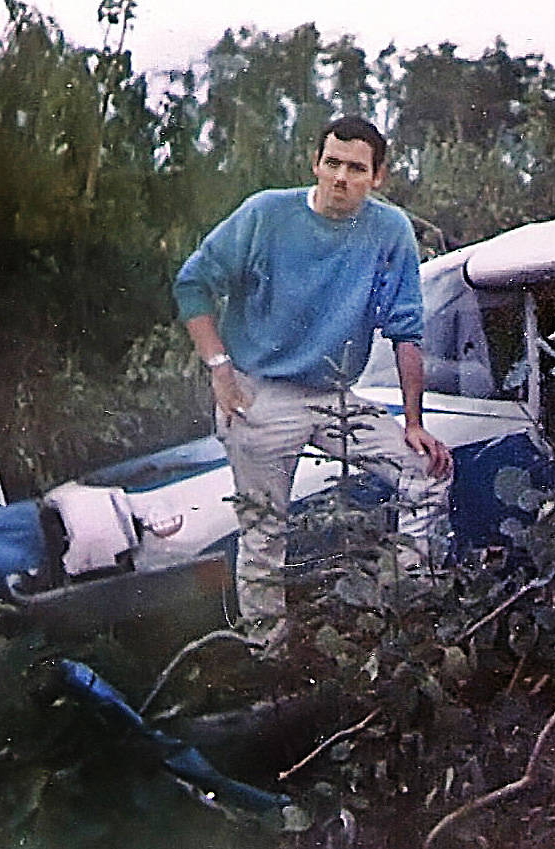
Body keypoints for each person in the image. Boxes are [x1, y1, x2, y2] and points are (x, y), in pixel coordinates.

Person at [173, 115, 453, 641]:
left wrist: (413, 423)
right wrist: (219, 370)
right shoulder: (266, 214)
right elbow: (194, 283)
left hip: (334, 396)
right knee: (264, 533)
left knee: (427, 471)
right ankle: (267, 656)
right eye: (332, 163)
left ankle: (401, 614)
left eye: (356, 168)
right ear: (315, 164)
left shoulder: (389, 230)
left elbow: (407, 329)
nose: (341, 177)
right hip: (261, 393)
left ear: (378, 177)